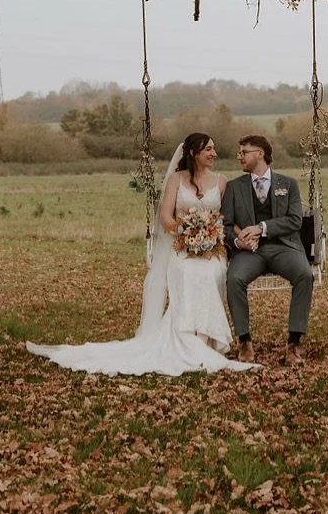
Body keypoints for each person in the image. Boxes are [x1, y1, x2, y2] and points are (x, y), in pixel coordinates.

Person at [27, 133, 256, 376]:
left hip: (212, 250)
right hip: (181, 248)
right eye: (208, 149)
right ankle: (190, 340)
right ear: (193, 153)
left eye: (214, 148)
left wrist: (210, 236)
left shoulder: (221, 182)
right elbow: (166, 217)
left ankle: (207, 340)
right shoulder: (176, 180)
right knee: (187, 272)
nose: (214, 154)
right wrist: (187, 233)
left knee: (211, 273)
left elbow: (227, 219)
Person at [222, 134, 313, 365]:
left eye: (244, 152)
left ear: (260, 154)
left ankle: (293, 343)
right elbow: (225, 225)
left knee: (304, 274)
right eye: (239, 152)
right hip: (249, 253)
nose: (239, 156)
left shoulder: (288, 184)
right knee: (234, 278)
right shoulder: (234, 187)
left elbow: (295, 220)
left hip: (283, 247)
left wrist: (261, 227)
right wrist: (238, 242)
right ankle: (244, 341)